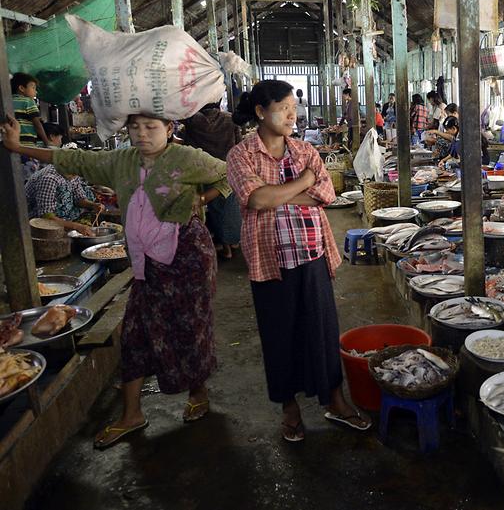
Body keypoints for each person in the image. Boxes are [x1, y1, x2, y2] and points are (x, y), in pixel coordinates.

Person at [2, 111, 231, 448]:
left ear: (169, 128)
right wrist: (17, 146)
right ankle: (132, 414)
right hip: (144, 261)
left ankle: (198, 391)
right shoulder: (119, 160)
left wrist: (202, 198)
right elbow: (70, 157)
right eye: (134, 127)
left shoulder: (187, 157)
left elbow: (229, 173)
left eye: (151, 127)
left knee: (189, 327)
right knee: (136, 332)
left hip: (187, 258)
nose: (142, 134)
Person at [226, 80, 371, 443]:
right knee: (279, 336)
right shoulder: (241, 155)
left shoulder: (306, 150)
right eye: (284, 108)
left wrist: (281, 193)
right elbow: (255, 200)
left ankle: (334, 401)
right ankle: (289, 410)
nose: (293, 115)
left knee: (322, 331)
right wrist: (301, 184)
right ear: (260, 111)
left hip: (312, 255)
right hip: (269, 261)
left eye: (294, 107)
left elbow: (325, 193)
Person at [180, 101, 243, 260]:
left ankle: (221, 244)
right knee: (228, 208)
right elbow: (239, 145)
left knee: (212, 210)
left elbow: (186, 144)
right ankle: (231, 244)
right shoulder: (230, 119)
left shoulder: (192, 121)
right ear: (219, 103)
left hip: (202, 171)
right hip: (226, 170)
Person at [25, 161, 101, 236]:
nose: (76, 175)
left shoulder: (72, 173)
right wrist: (76, 226)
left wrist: (93, 205)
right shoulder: (49, 179)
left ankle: (65, 223)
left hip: (58, 217)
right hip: (36, 222)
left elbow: (79, 198)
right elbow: (46, 217)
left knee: (89, 193)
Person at [12, 73, 52, 148]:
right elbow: (37, 124)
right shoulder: (28, 101)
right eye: (33, 88)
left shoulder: (8, 101)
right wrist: (47, 142)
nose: (35, 91)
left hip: (12, 142)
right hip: (27, 144)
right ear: (22, 88)